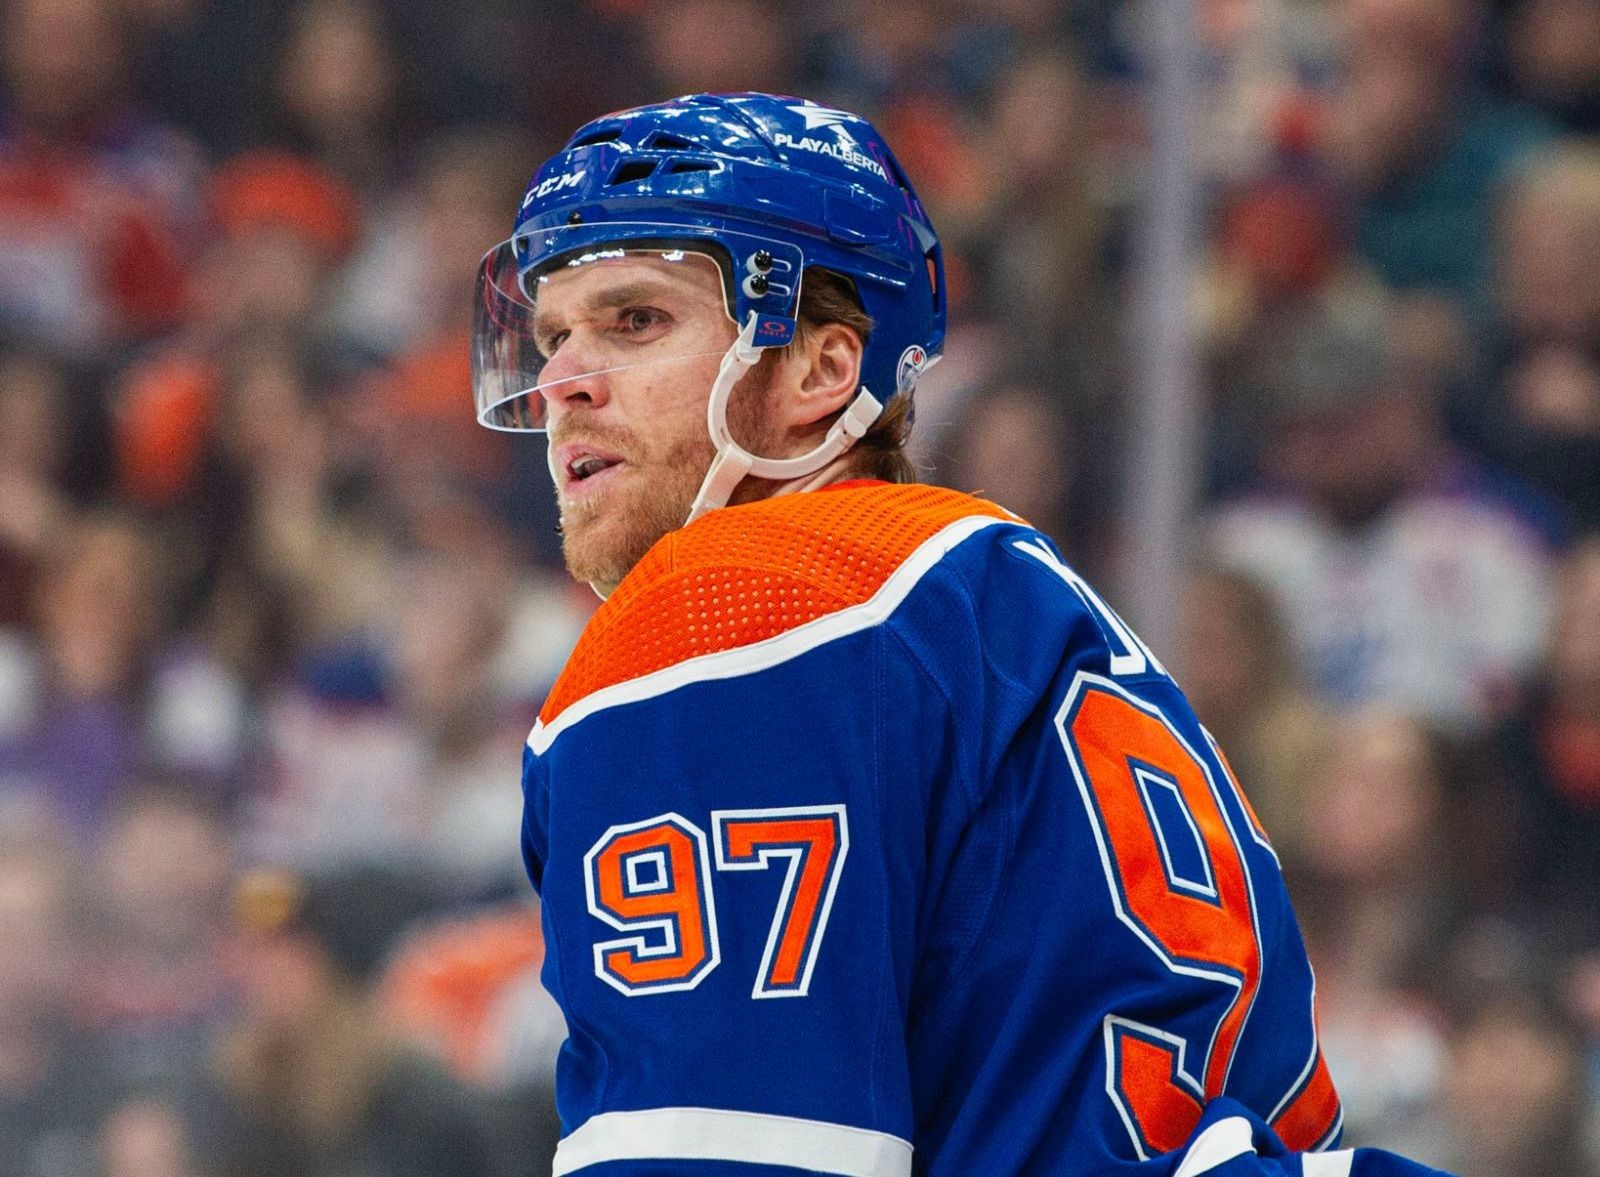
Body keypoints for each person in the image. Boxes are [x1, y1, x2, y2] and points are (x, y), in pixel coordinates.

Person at [471, 92, 1450, 1176]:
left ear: (818, 371)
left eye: (636, 321)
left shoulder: (741, 599)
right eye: (553, 337)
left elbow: (730, 1157)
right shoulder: (986, 587)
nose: (562, 385)